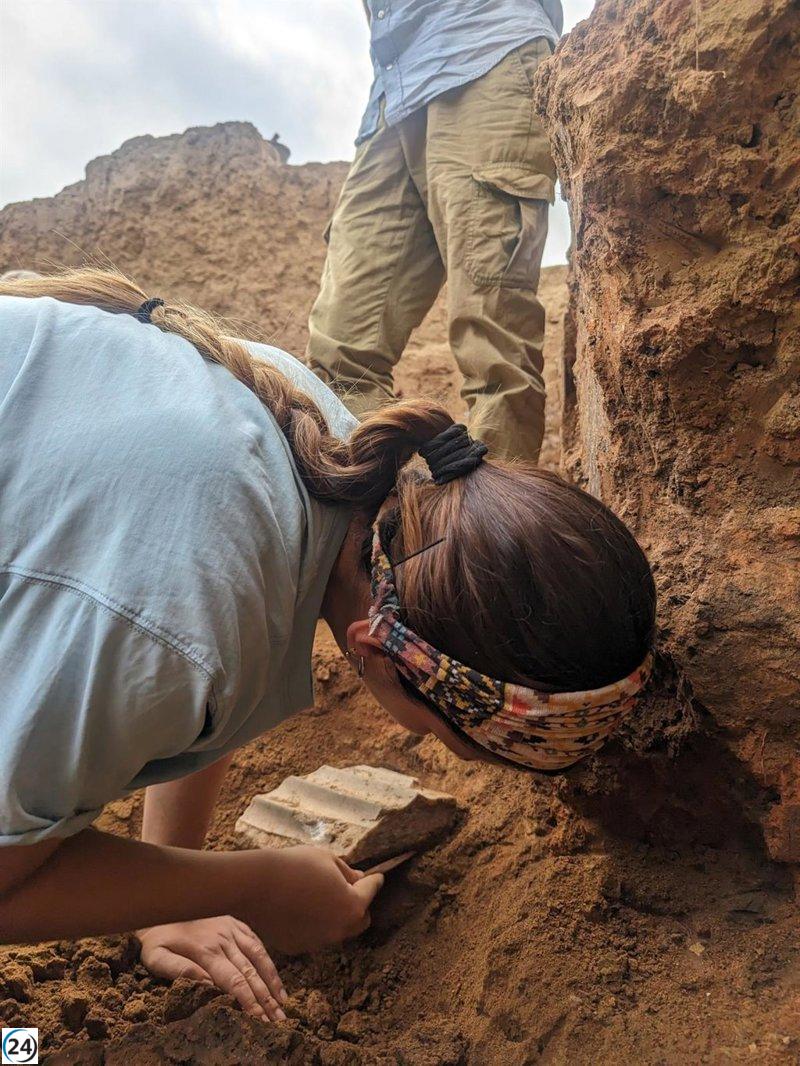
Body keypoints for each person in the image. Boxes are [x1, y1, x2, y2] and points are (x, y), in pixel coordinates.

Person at [0, 269, 655, 1021]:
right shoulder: (174, 621)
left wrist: (168, 906)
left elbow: (222, 659)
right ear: (374, 652)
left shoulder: (334, 456)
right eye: (456, 743)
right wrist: (251, 887)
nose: (445, 750)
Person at [307, 0, 564, 462]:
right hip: (391, 93)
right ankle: (366, 520)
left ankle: (488, 529)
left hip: (488, 47)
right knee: (340, 355)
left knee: (493, 338)